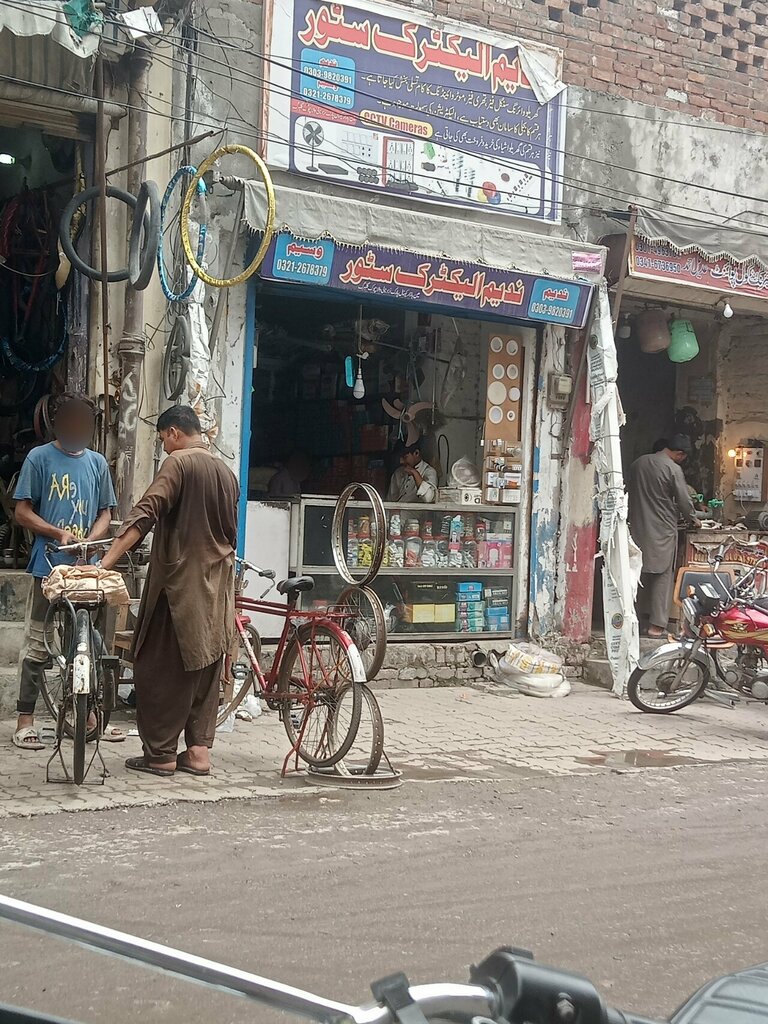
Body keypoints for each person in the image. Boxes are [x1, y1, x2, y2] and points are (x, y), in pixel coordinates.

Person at [100, 406, 238, 778]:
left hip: (179, 589)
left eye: (162, 439)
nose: (163, 447)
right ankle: (198, 753)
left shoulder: (179, 463)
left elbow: (145, 513)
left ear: (174, 433)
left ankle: (160, 754)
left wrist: (105, 563)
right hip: (217, 587)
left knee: (158, 668)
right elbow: (230, 535)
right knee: (205, 667)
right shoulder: (226, 472)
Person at [12, 392, 122, 750]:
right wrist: (57, 533)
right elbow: (22, 512)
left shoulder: (97, 463)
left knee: (87, 642)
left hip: (84, 569)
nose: (78, 428)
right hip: (48, 566)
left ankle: (90, 717)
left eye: (84, 422)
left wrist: (90, 540)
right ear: (57, 423)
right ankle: (25, 720)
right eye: (71, 421)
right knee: (37, 642)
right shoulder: (39, 458)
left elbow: (106, 512)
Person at [628, 433, 701, 639]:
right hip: (662, 530)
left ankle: (635, 621)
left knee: (637, 574)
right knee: (662, 576)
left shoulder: (638, 463)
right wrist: (694, 519)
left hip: (636, 528)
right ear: (680, 454)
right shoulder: (673, 468)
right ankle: (656, 627)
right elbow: (684, 501)